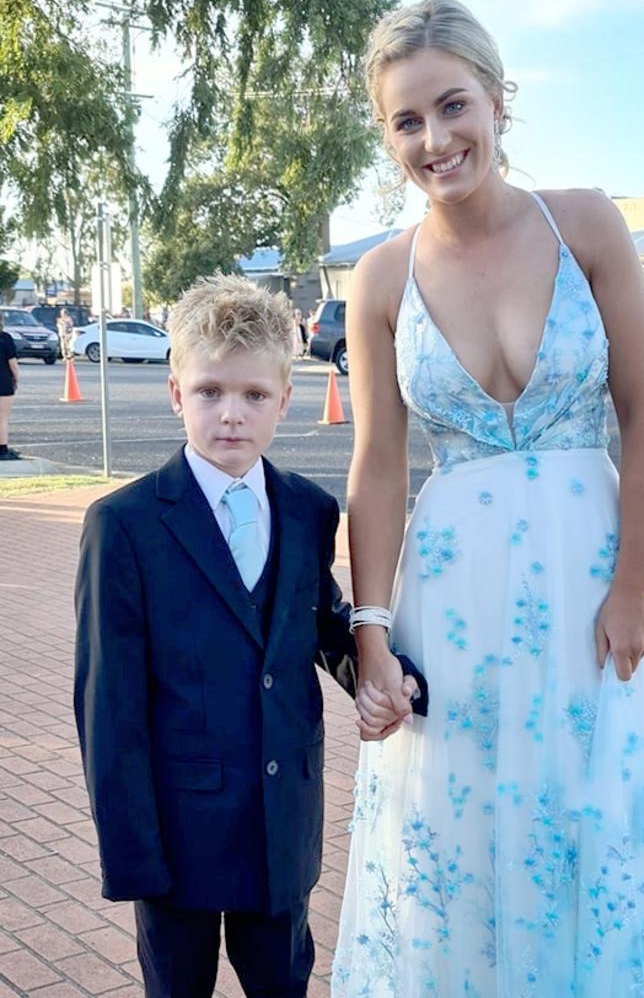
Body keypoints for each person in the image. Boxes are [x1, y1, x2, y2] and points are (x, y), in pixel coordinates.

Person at [332, 0, 644, 997]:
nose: (435, 139)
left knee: (590, 824)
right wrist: (370, 634)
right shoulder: (380, 278)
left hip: (589, 590)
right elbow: (381, 466)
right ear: (387, 133)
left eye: (452, 106)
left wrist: (636, 583)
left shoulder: (585, 223)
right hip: (451, 603)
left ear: (498, 100)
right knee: (447, 834)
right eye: (406, 121)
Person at [74, 273, 427, 998]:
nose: (230, 414)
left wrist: (385, 677)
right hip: (179, 836)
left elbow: (321, 622)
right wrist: (133, 856)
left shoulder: (307, 510)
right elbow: (107, 707)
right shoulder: (126, 526)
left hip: (280, 821)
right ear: (177, 393)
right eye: (209, 392)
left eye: (254, 395)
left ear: (284, 401)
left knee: (283, 982)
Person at [0, 311, 20, 460]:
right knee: (2, 418)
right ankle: (2, 449)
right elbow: (13, 364)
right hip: (3, 382)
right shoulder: (5, 338)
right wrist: (16, 379)